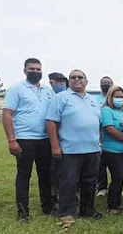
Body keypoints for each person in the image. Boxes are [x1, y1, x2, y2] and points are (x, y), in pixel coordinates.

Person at [46, 69, 103, 227]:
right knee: (68, 182)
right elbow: (51, 122)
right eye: (73, 77)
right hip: (70, 149)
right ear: (68, 81)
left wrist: (99, 142)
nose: (77, 79)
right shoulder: (61, 98)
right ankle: (67, 212)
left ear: (86, 81)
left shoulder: (93, 100)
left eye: (80, 77)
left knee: (90, 182)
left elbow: (97, 123)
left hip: (92, 149)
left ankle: (87, 209)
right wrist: (55, 146)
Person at [2, 58, 56, 221]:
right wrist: (12, 140)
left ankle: (48, 207)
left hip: (45, 139)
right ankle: (23, 212)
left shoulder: (48, 90)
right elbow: (7, 114)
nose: (35, 71)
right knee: (24, 175)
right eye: (31, 69)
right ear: (25, 71)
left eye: (38, 69)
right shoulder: (17, 89)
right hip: (24, 139)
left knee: (45, 175)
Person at [101, 86, 123, 215]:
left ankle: (117, 203)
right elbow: (110, 129)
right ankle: (112, 205)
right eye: (116, 96)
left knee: (120, 177)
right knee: (117, 177)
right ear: (110, 97)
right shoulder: (106, 110)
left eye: (121, 97)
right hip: (112, 150)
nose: (119, 99)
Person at [48, 72, 69, 211]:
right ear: (51, 82)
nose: (61, 84)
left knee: (67, 172)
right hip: (51, 140)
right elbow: (51, 122)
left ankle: (72, 196)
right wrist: (55, 145)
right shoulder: (49, 97)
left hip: (68, 141)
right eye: (58, 81)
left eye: (63, 82)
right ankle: (54, 198)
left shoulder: (68, 97)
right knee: (53, 171)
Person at [96, 76, 113, 197]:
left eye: (108, 83)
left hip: (112, 136)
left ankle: (115, 186)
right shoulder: (94, 99)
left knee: (115, 165)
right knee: (101, 164)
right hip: (99, 133)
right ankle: (102, 187)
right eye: (104, 83)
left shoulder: (115, 98)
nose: (106, 85)